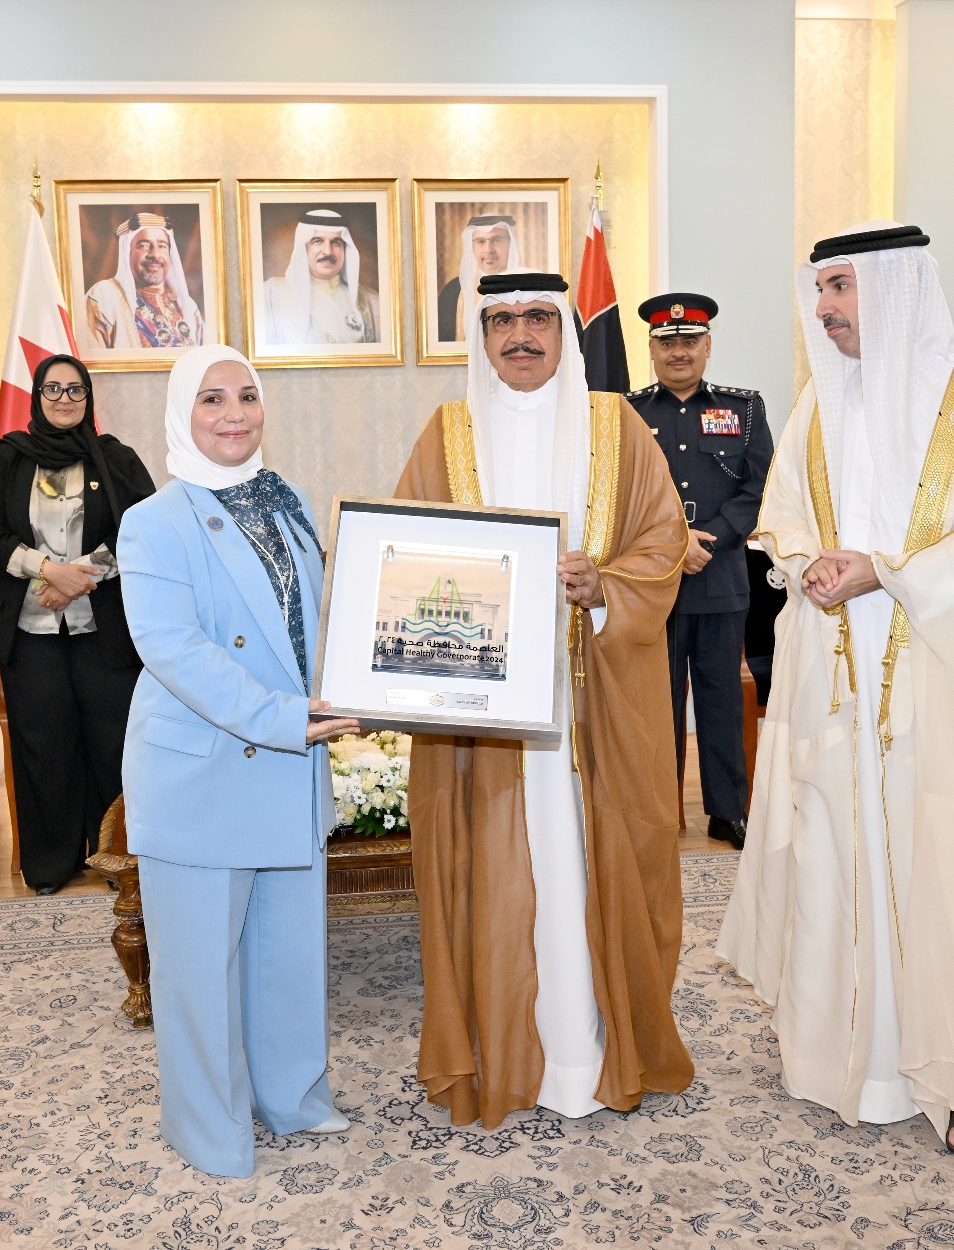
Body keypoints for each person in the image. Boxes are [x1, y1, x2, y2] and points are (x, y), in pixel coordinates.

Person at [717, 223, 954, 1159]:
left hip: (945, 677)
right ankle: (841, 1060)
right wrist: (808, 565)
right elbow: (784, 514)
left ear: (897, 287)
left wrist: (889, 572)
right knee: (834, 849)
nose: (823, 309)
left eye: (841, 288)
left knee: (950, 867)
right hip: (834, 671)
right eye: (820, 290)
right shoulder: (821, 401)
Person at [394, 270, 693, 1128]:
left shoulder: (616, 425)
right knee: (495, 868)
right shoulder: (447, 431)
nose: (519, 335)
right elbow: (407, 552)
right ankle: (507, 1054)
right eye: (501, 321)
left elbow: (664, 539)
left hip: (591, 697)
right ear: (481, 336)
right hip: (482, 716)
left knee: (593, 861)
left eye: (537, 318)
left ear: (563, 330)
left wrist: (603, 587)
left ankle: (595, 1049)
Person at [119, 343, 356, 1177]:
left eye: (247, 396)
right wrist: (289, 717)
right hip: (206, 770)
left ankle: (293, 1097)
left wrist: (361, 682)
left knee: (289, 955)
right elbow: (174, 651)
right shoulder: (153, 521)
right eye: (212, 399)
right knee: (199, 974)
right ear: (181, 413)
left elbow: (316, 624)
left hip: (289, 760)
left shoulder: (287, 500)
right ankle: (209, 1129)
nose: (234, 414)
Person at [0, 354, 154, 892]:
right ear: (36, 396)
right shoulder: (10, 456)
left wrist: (81, 577)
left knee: (111, 745)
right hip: (31, 633)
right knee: (43, 746)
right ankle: (52, 864)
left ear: (88, 397)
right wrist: (48, 570)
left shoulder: (115, 458)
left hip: (105, 632)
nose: (64, 399)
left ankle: (115, 859)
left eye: (75, 390)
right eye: (52, 389)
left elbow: (144, 530)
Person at [628, 292, 775, 850]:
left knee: (720, 698)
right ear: (651, 350)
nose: (679, 352)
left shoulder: (745, 408)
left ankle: (727, 811)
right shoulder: (628, 413)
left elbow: (759, 486)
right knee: (656, 703)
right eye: (667, 343)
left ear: (708, 346)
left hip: (720, 578)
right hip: (653, 583)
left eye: (689, 340)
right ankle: (660, 811)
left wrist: (708, 539)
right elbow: (621, 494)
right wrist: (675, 542)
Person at [260, 208, 382, 345]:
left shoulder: (372, 301)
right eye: (317, 241)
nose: (328, 251)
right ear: (304, 248)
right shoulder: (271, 294)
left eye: (336, 242)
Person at [86, 213, 204, 349]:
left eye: (162, 246)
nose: (155, 254)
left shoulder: (188, 307)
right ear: (127, 251)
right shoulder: (104, 296)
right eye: (144, 245)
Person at [438, 214, 520, 342]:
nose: (488, 250)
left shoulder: (529, 289)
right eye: (481, 242)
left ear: (511, 244)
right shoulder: (453, 291)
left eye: (496, 240)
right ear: (472, 247)